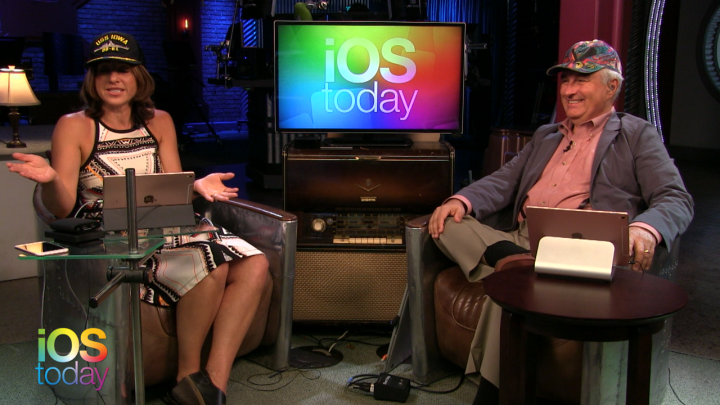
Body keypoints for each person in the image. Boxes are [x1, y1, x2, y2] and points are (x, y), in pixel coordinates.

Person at [6, 31, 269, 405]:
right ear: (92, 78)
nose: (114, 79)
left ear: (139, 76)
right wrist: (51, 179)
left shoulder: (160, 121)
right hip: (113, 236)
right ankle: (187, 375)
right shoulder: (74, 125)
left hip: (167, 224)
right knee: (212, 260)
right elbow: (62, 209)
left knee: (256, 264)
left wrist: (196, 185)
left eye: (124, 70)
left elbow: (173, 188)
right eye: (104, 71)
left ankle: (212, 383)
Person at [428, 39, 694, 403]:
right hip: (520, 239)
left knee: (508, 293)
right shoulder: (546, 135)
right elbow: (505, 180)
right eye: (565, 80)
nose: (569, 90)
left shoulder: (636, 135)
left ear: (611, 87)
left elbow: (676, 198)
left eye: (581, 80)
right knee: (445, 222)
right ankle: (517, 264)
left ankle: (493, 388)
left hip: (579, 248)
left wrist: (645, 228)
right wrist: (462, 199)